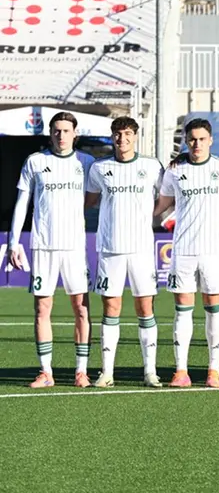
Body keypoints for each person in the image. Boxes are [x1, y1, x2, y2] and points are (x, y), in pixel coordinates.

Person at [154, 118, 219, 388]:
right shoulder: (175, 171)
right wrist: (133, 217)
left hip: (214, 250)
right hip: (183, 250)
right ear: (186, 141)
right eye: (192, 139)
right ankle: (181, 371)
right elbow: (162, 204)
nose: (196, 143)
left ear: (211, 140)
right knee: (182, 311)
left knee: (213, 311)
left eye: (201, 139)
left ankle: (213, 371)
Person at [7, 112, 94, 388]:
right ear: (50, 132)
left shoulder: (87, 163)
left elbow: (100, 198)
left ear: (75, 133)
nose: (61, 135)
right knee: (42, 308)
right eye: (56, 130)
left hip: (74, 247)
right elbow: (22, 202)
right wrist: (13, 241)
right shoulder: (36, 161)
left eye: (66, 131)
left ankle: (81, 371)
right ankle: (46, 372)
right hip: (43, 245)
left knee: (81, 309)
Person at [84, 117, 164, 388]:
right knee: (111, 307)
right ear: (112, 137)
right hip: (110, 249)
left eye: (128, 134)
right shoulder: (99, 168)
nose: (122, 139)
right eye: (118, 135)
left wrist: (144, 216)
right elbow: (91, 201)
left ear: (136, 136)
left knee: (145, 307)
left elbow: (166, 196)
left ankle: (150, 371)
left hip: (141, 249)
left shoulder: (152, 166)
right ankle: (107, 372)